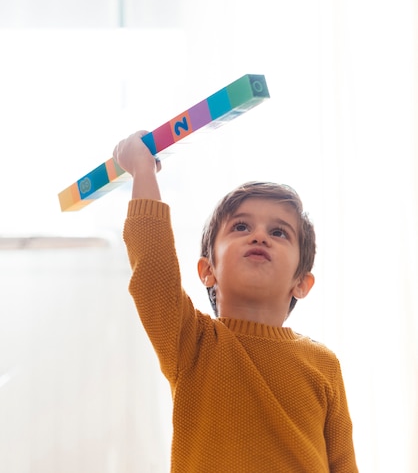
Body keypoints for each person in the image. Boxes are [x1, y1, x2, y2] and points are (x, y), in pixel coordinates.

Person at [113, 130, 358, 473]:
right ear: (207, 271)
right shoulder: (191, 343)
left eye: (279, 232)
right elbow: (153, 270)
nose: (259, 235)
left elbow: (344, 465)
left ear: (301, 283)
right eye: (241, 227)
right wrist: (142, 172)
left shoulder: (323, 364)